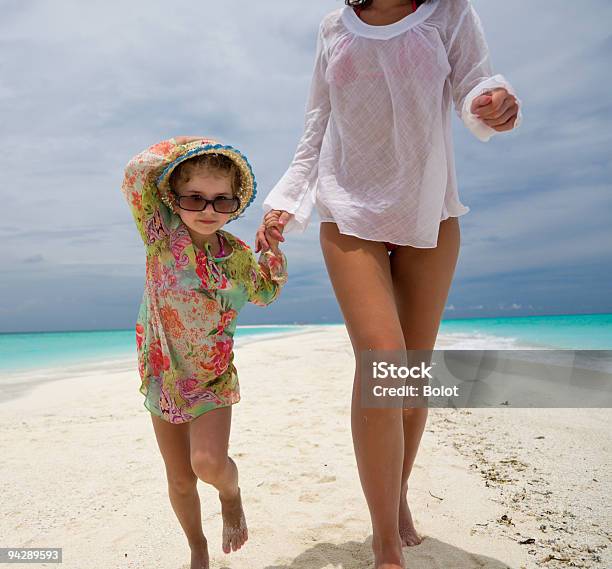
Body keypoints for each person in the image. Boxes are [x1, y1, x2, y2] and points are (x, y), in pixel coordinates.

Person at [256, 1, 522, 567]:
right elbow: (316, 122)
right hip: (348, 210)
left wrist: (491, 102)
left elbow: (476, 80)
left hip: (429, 210)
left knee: (410, 376)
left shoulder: (448, 11)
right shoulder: (334, 26)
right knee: (383, 360)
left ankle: (396, 492)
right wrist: (284, 201)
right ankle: (384, 543)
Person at [121, 136, 288, 569]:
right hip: (163, 373)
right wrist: (197, 148)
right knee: (179, 479)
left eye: (221, 200)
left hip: (212, 377)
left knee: (209, 464)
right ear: (173, 200)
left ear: (235, 203)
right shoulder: (160, 235)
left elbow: (266, 292)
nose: (209, 210)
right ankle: (197, 548)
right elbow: (138, 170)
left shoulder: (235, 257)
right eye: (195, 198)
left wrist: (270, 251)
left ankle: (230, 494)